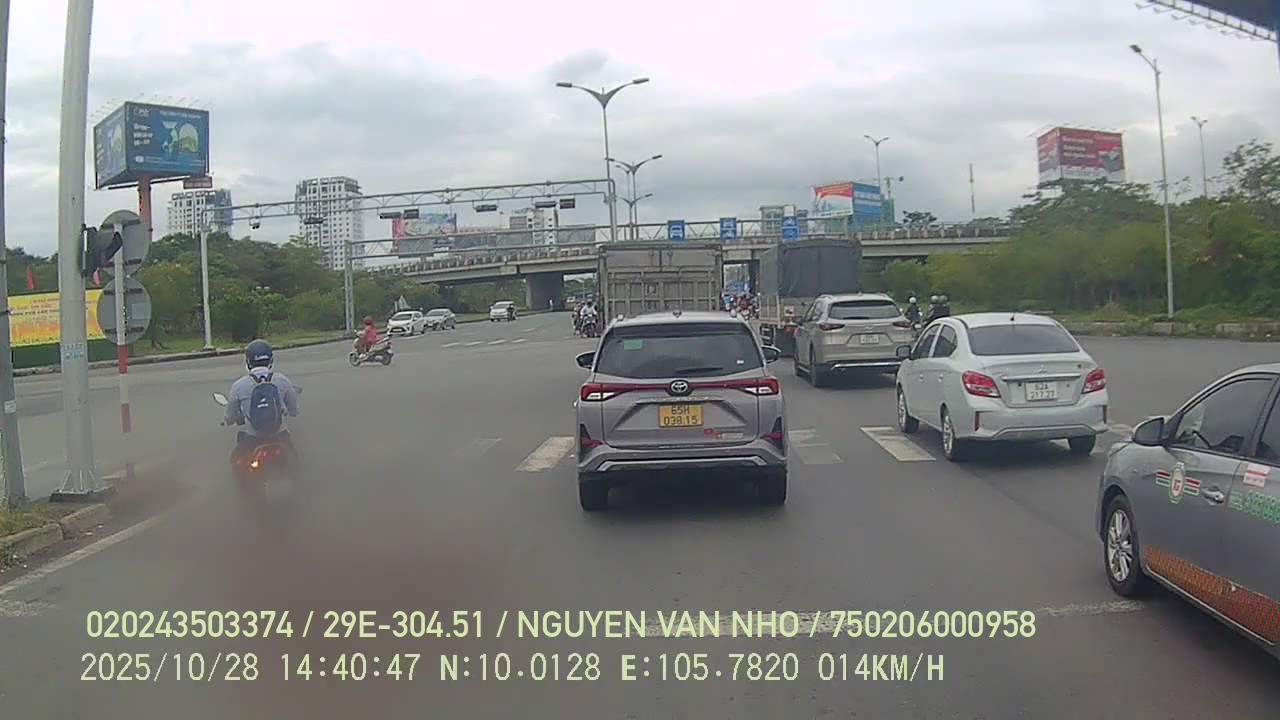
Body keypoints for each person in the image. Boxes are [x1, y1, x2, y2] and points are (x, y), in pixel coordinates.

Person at [224, 339, 300, 465]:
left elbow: (230, 415)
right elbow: (294, 410)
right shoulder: (282, 380)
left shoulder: (239, 385)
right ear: (271, 360)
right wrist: (289, 411)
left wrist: (230, 420)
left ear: (248, 361)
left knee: (236, 460)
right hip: (279, 435)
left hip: (253, 438)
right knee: (295, 459)